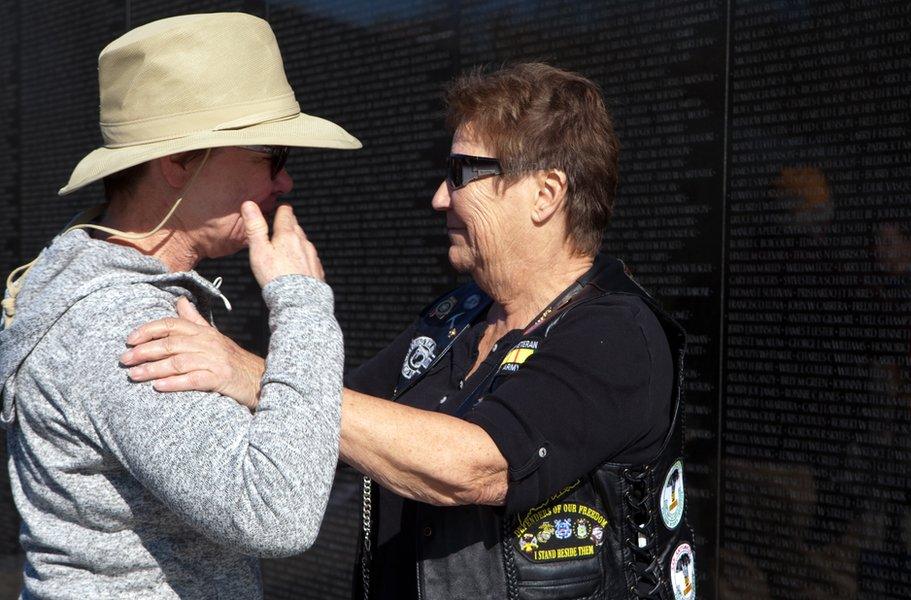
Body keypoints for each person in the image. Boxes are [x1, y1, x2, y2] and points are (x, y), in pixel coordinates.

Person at [126, 63, 696, 600]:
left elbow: (476, 467)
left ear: (545, 194)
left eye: (461, 173)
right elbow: (331, 426)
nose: (439, 197)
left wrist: (250, 373)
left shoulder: (617, 334)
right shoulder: (458, 318)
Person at [0, 13, 361, 599]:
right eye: (272, 154)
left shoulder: (82, 281)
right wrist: (302, 304)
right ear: (178, 163)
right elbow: (277, 513)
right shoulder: (118, 325)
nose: (286, 181)